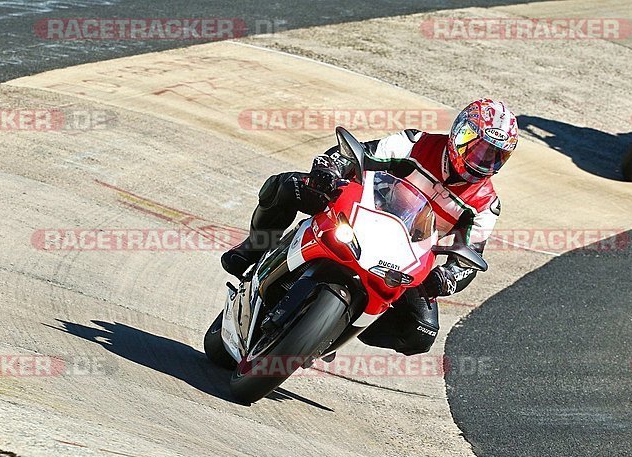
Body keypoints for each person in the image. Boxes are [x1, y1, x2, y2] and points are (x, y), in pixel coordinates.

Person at [221, 98, 518, 355]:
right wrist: (330, 169)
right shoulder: (418, 143)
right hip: (361, 212)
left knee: (421, 332)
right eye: (480, 149)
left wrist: (446, 278)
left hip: (405, 259)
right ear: (461, 133)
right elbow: (360, 152)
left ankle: (332, 330)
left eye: (495, 156)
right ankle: (254, 248)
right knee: (286, 186)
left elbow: (470, 256)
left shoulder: (486, 204)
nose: (484, 161)